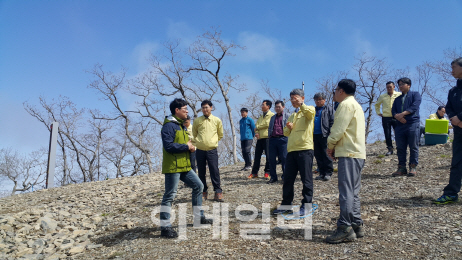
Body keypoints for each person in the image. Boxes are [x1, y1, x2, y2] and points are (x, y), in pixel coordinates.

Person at [159, 98, 212, 238]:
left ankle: (198, 218)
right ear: (177, 110)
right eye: (185, 109)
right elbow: (168, 146)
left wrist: (190, 148)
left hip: (184, 166)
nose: (187, 111)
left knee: (199, 186)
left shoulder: (181, 125)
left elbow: (183, 144)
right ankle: (165, 227)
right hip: (173, 167)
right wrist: (186, 147)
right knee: (170, 195)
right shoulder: (169, 126)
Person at [325, 79, 366, 244]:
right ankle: (356, 224)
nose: (334, 93)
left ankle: (345, 228)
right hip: (357, 153)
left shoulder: (345, 105)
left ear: (341, 91)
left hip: (349, 153)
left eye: (335, 90)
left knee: (346, 192)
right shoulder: (356, 105)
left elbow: (338, 129)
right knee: (353, 191)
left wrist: (330, 145)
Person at [272, 89, 315, 217]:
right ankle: (286, 205)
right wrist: (288, 128)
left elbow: (309, 114)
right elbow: (285, 132)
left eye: (295, 98)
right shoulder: (292, 115)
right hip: (291, 150)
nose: (293, 101)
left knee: (306, 179)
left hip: (305, 149)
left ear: (303, 98)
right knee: (288, 179)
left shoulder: (309, 109)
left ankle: (307, 205)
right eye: (291, 98)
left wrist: (301, 104)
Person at [433, 57, 462, 204]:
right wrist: (454, 119)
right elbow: (448, 107)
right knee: (456, 162)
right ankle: (451, 193)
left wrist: (460, 118)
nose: (452, 71)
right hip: (459, 130)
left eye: (454, 67)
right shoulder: (453, 91)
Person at [192, 100, 224, 202]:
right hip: (200, 150)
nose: (205, 109)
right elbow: (194, 133)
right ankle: (203, 191)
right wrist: (199, 142)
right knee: (201, 171)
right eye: (203, 108)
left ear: (211, 107)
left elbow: (220, 134)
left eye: (206, 107)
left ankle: (218, 192)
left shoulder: (217, 120)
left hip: (212, 150)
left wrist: (212, 142)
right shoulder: (197, 121)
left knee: (214, 170)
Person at [391, 77, 422, 177]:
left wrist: (403, 114)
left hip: (412, 123)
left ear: (408, 85)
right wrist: (399, 117)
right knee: (400, 147)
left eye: (402, 84)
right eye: (399, 84)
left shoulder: (415, 94)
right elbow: (393, 111)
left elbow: (414, 107)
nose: (400, 86)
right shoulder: (397, 99)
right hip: (400, 125)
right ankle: (401, 167)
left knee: (413, 146)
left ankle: (413, 166)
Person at [249, 100, 274, 179]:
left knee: (268, 156)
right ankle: (254, 173)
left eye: (263, 105)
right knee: (257, 156)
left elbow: (268, 124)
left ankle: (267, 172)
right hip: (260, 138)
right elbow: (257, 125)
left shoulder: (272, 115)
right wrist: (257, 132)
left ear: (268, 106)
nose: (261, 106)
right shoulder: (260, 117)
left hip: (268, 137)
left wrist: (258, 127)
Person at [312, 93, 335, 181]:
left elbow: (333, 121)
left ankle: (328, 173)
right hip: (314, 135)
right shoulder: (313, 110)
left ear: (324, 100)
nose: (318, 101)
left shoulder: (329, 109)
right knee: (318, 155)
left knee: (326, 154)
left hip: (325, 134)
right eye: (316, 99)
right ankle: (321, 173)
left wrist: (330, 133)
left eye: (320, 99)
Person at [375, 81, 402, 155]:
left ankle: (400, 148)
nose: (389, 88)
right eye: (387, 87)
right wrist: (378, 112)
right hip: (386, 117)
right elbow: (377, 104)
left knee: (398, 133)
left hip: (396, 116)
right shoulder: (382, 96)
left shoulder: (399, 95)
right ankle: (390, 149)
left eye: (390, 87)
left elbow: (403, 103)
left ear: (394, 87)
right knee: (387, 134)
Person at [267, 100, 290, 184]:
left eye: (279, 107)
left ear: (283, 107)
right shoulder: (273, 117)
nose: (277, 108)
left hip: (283, 139)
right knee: (271, 159)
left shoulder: (288, 115)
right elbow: (270, 128)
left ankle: (285, 177)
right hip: (273, 139)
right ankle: (273, 177)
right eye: (276, 107)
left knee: (284, 158)